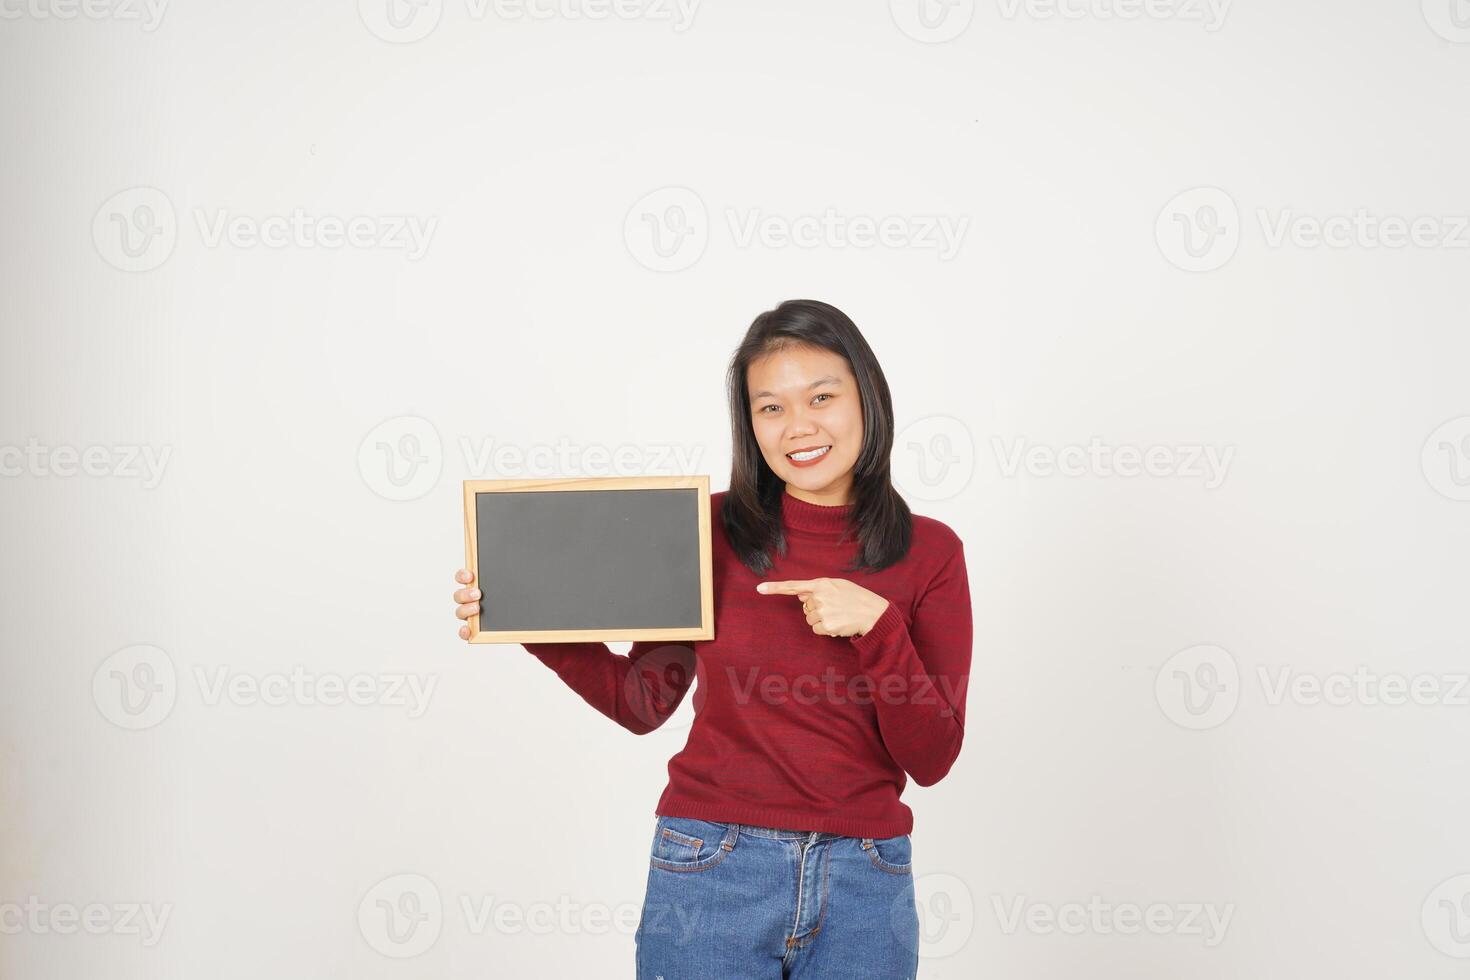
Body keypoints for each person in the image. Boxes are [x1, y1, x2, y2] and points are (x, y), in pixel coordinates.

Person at [452, 298, 973, 978]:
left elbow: (932, 758)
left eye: (821, 396)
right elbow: (642, 704)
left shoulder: (930, 552)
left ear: (867, 398)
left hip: (865, 879)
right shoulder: (707, 532)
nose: (799, 426)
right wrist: (520, 614)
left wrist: (878, 627)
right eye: (771, 407)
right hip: (710, 868)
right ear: (749, 423)